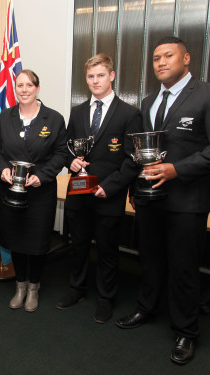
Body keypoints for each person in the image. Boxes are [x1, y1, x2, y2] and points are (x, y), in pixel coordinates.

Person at [116, 37, 210, 365]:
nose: (160, 62)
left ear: (186, 58)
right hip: (149, 199)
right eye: (156, 57)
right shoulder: (149, 101)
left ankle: (186, 331)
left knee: (184, 268)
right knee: (151, 259)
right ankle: (147, 307)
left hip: (187, 201)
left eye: (168, 55)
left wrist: (177, 169)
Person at [56, 54, 142, 323]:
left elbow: (133, 159)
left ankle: (106, 298)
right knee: (78, 245)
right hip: (79, 191)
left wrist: (110, 186)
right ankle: (77, 289)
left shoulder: (130, 114)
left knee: (107, 250)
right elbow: (67, 146)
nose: (95, 80)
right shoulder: (78, 111)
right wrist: (71, 161)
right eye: (91, 76)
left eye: (101, 75)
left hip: (108, 195)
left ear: (112, 76)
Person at [0, 69, 67, 312]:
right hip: (10, 191)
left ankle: (34, 286)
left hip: (40, 192)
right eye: (19, 85)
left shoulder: (53, 119)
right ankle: (20, 285)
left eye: (28, 85)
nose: (23, 90)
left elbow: (61, 154)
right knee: (15, 239)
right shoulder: (5, 117)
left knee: (36, 241)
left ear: (37, 88)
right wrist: (2, 169)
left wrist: (41, 177)